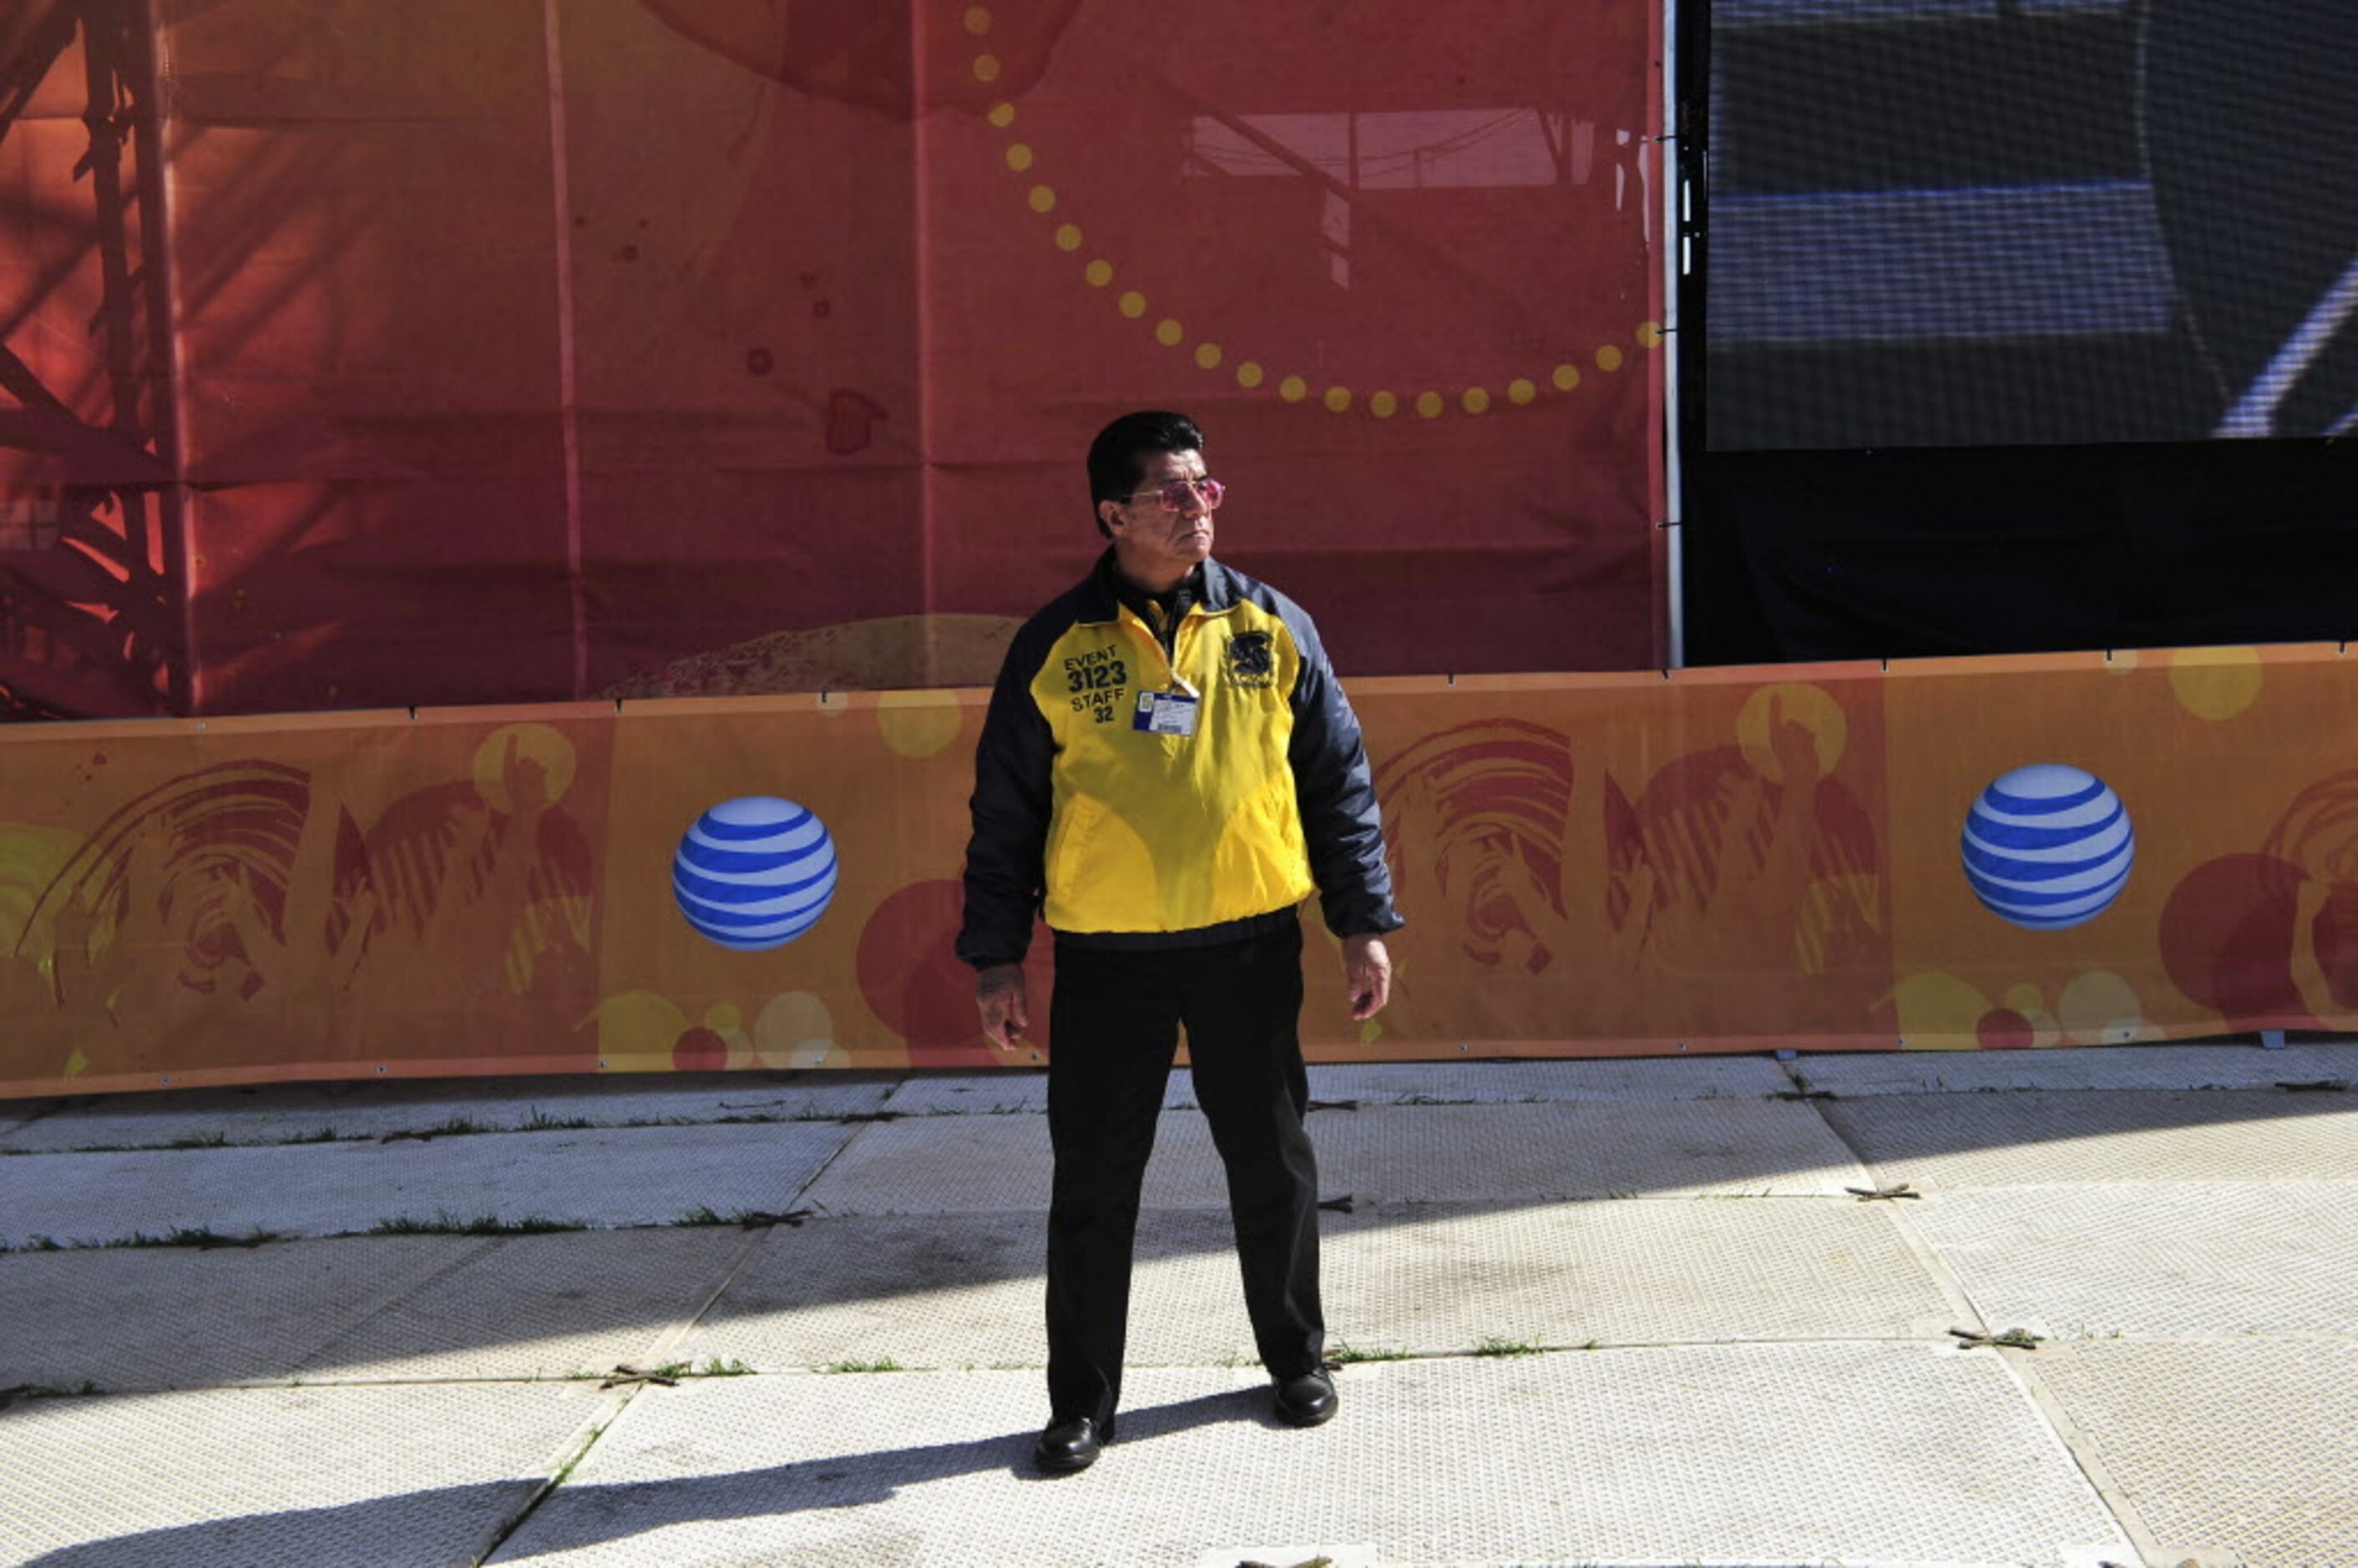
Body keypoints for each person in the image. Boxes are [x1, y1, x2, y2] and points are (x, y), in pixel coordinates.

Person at [958, 409, 1403, 1475]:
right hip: (1108, 960)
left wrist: (1361, 923)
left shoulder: (1269, 623)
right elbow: (1005, 812)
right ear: (1112, 514)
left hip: (1249, 950)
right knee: (1095, 1183)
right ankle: (1080, 1406)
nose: (1197, 508)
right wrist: (995, 958)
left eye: (1206, 488)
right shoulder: (1057, 645)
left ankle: (1295, 1359)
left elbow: (1337, 782)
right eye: (1170, 493)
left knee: (1273, 1165)